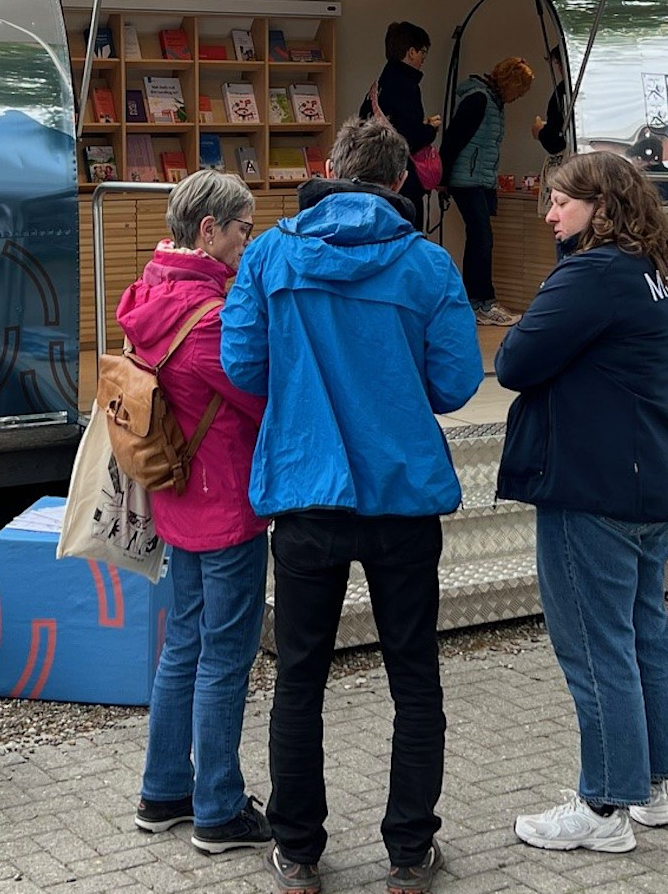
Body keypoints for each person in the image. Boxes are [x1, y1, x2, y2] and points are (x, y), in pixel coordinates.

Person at [222, 117, 482, 894]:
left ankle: (299, 852)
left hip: (307, 490)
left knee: (300, 675)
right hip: (401, 496)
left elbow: (241, 360)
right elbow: (455, 384)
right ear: (401, 182)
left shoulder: (271, 251)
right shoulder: (429, 266)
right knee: (414, 674)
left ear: (328, 167)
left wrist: (304, 393)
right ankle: (409, 852)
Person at [495, 153, 668, 854]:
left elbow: (514, 362)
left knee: (594, 644)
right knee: (644, 635)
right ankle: (650, 786)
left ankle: (604, 806)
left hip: (594, 483)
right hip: (648, 476)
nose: (549, 216)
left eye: (559, 203)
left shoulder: (592, 274)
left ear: (601, 208)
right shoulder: (656, 269)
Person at [115, 170, 271, 854]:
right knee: (224, 656)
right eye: (242, 229)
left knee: (183, 643)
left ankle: (163, 791)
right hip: (225, 503)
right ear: (209, 231)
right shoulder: (209, 320)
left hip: (178, 495)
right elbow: (262, 400)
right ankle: (218, 808)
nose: (248, 241)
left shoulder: (153, 289)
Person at [441, 56, 537, 326]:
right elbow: (453, 139)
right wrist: (442, 178)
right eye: (521, 89)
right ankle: (482, 302)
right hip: (466, 180)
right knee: (482, 238)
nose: (519, 96)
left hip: (479, 180)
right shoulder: (479, 99)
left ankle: (479, 301)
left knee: (480, 238)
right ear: (511, 83)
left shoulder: (493, 102)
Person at [358, 21, 443, 231]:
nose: (424, 58)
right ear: (411, 52)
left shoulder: (378, 86)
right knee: (408, 239)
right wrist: (430, 129)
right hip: (401, 179)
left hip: (374, 176)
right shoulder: (406, 86)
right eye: (423, 51)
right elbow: (410, 138)